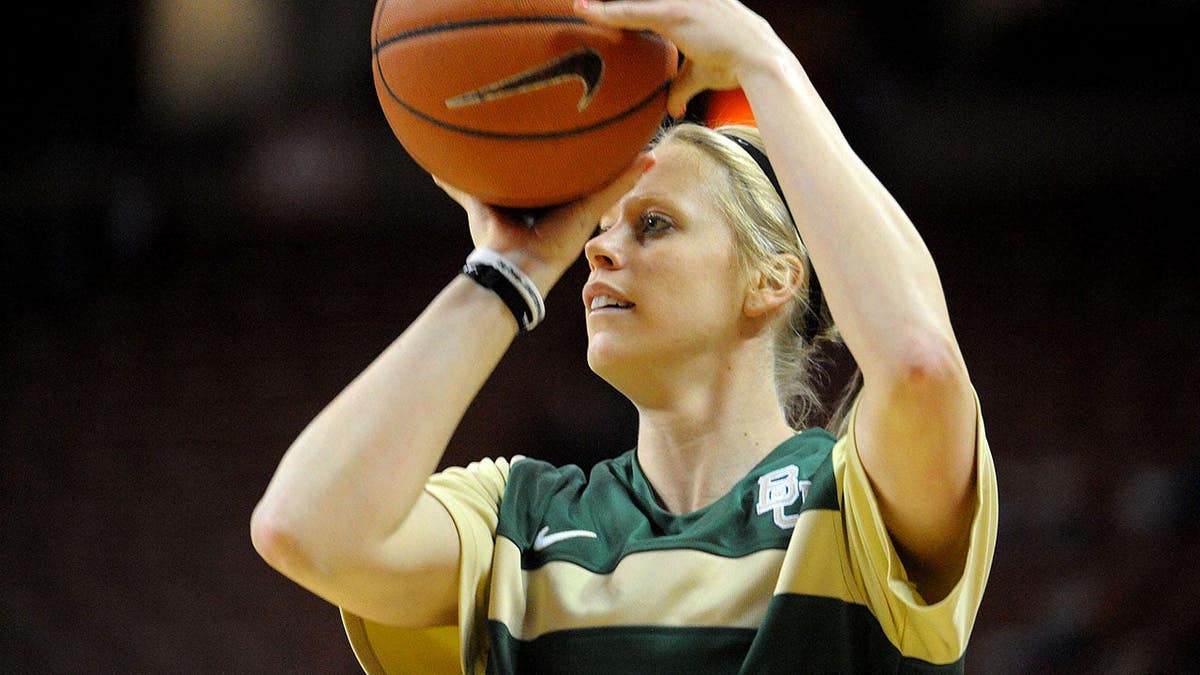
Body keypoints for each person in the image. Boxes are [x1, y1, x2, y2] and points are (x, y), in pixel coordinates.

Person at [251, 0, 998, 672]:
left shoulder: (855, 501)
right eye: (599, 228)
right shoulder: (520, 516)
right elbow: (304, 528)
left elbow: (921, 363)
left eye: (654, 224)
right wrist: (509, 269)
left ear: (773, 279)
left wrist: (761, 58)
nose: (601, 250)